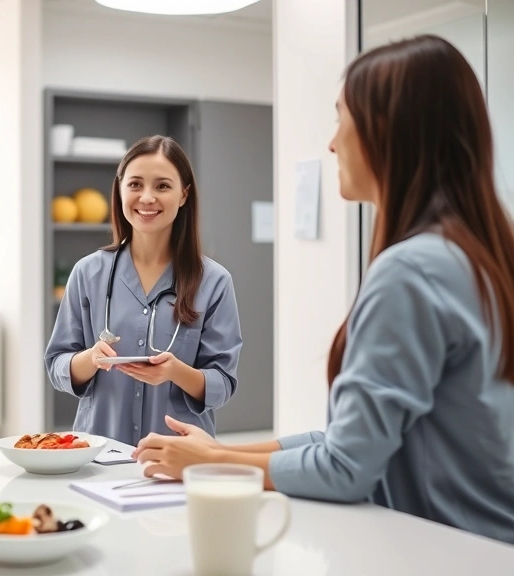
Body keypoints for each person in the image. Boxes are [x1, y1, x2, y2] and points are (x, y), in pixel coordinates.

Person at [132, 35, 514, 545]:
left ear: (389, 132)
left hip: (449, 550)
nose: (333, 142)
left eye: (342, 119)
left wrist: (214, 464)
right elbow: (349, 441)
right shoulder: (476, 255)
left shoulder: (411, 272)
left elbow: (346, 466)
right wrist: (220, 453)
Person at [44, 135, 243, 447]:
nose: (147, 197)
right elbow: (57, 364)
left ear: (183, 195)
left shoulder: (215, 282)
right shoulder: (88, 273)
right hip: (99, 454)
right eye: (135, 184)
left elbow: (223, 383)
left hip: (179, 455)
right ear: (120, 190)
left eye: (162, 186)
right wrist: (90, 358)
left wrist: (175, 372)